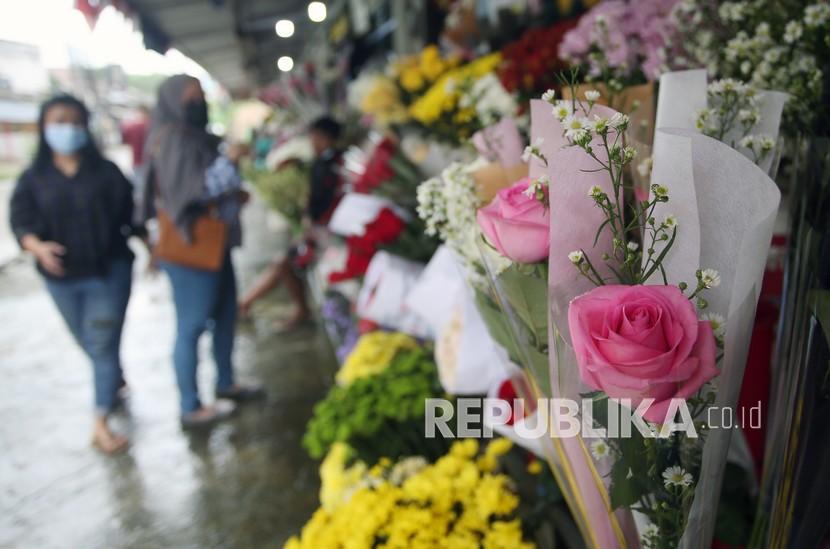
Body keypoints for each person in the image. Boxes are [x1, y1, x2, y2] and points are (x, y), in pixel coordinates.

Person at [9, 94, 137, 454]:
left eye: (74, 121)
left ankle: (100, 420)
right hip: (61, 279)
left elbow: (132, 216)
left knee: (100, 341)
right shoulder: (34, 178)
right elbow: (20, 222)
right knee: (91, 343)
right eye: (58, 121)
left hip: (107, 272)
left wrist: (155, 246)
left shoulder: (106, 172)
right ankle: (113, 378)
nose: (67, 128)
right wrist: (36, 246)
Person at [143, 74, 262, 429]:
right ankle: (190, 405)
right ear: (173, 101)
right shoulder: (175, 139)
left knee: (226, 314)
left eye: (200, 96)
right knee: (192, 324)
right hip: (191, 247)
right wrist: (231, 160)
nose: (198, 104)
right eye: (190, 98)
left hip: (215, 241)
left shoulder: (195, 137)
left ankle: (226, 383)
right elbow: (192, 192)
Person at [238, 116, 344, 325]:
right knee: (283, 263)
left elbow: (321, 202)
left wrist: (306, 218)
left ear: (324, 138)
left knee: (283, 264)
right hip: (321, 230)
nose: (311, 142)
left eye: (314, 137)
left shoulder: (328, 164)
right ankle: (246, 303)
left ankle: (249, 304)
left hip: (326, 234)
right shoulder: (325, 162)